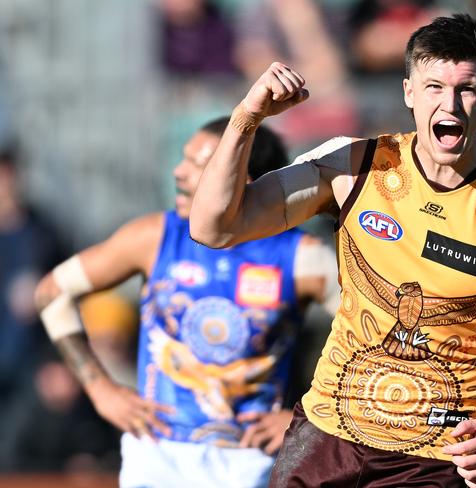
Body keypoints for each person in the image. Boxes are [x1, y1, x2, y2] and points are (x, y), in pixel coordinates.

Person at [190, 13, 476, 488]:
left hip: (435, 460)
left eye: (467, 88)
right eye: (434, 86)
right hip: (326, 440)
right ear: (408, 93)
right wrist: (246, 118)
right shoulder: (353, 168)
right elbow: (213, 228)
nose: (450, 104)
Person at [34, 117, 339, 488]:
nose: (178, 172)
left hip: (247, 462)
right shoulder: (154, 237)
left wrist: (307, 415)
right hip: (156, 452)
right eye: (184, 159)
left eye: (199, 164)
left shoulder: (303, 258)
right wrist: (101, 390)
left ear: (241, 177)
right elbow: (52, 291)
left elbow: (374, 336)